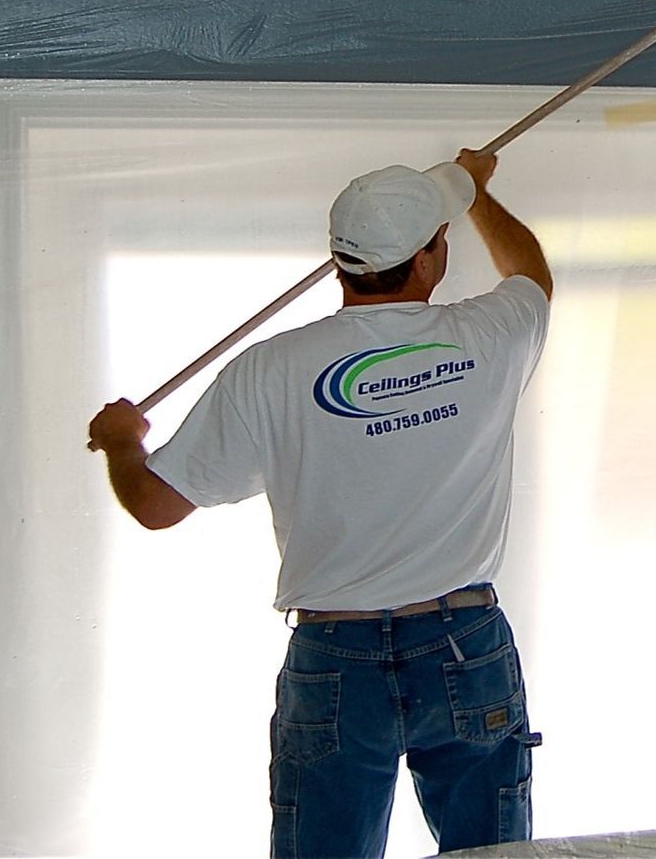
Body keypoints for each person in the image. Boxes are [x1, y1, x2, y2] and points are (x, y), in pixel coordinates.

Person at [86, 148, 552, 859]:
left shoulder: (270, 370)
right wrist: (472, 190)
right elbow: (533, 275)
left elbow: (155, 504)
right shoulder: (491, 336)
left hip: (336, 655)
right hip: (463, 643)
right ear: (429, 259)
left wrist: (124, 441)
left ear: (340, 262)